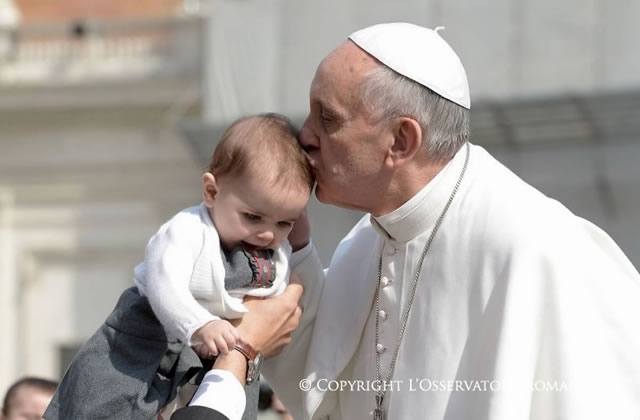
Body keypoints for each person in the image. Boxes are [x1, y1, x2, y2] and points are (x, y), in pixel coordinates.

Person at [176, 22, 640, 420]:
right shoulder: (365, 243)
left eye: (327, 119)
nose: (305, 137)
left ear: (401, 140)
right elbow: (318, 389)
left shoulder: (535, 249)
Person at [44, 113, 313, 420]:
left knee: (234, 405)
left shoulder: (275, 251)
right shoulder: (188, 229)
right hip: (151, 335)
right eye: (253, 217)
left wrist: (302, 244)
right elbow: (164, 282)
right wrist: (198, 325)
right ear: (212, 192)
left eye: (284, 222)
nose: (267, 233)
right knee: (111, 400)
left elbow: (303, 290)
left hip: (220, 352)